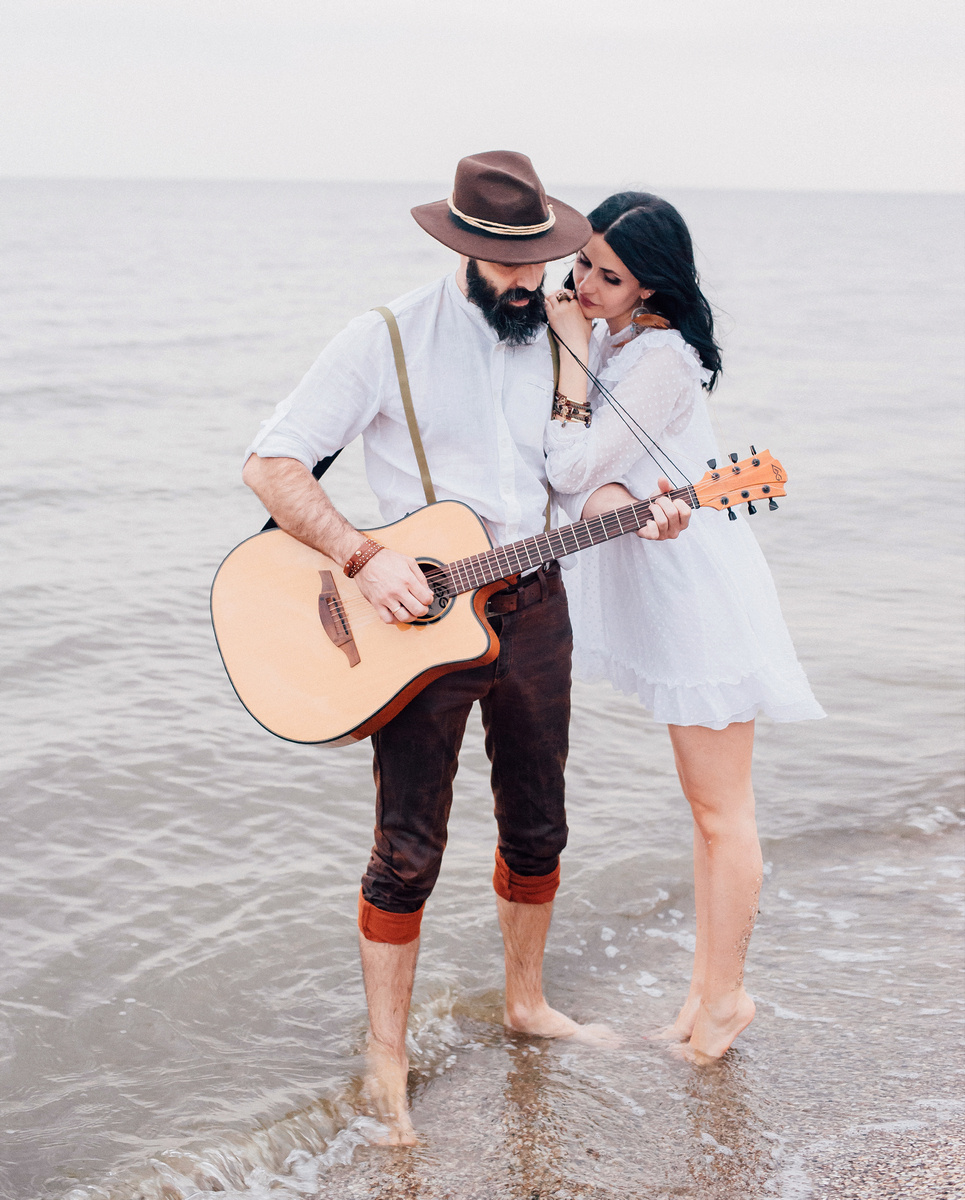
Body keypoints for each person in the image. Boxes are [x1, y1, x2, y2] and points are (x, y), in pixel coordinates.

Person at [241, 155, 692, 1142]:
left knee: (539, 829)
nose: (532, 282)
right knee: (406, 850)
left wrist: (635, 506)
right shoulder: (386, 337)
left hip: (534, 604)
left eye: (540, 260)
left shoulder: (560, 335)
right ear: (462, 248)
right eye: (509, 266)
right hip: (415, 623)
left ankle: (525, 1003)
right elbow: (271, 465)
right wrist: (363, 559)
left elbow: (576, 476)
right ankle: (386, 1056)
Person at [542, 191, 825, 1063]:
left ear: (651, 287)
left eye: (609, 276)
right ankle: (702, 996)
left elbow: (568, 462)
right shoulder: (616, 337)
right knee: (703, 815)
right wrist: (608, 486)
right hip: (664, 589)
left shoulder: (659, 355)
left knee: (721, 813)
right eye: (582, 263)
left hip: (697, 598)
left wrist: (569, 350)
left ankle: (727, 998)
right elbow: (587, 480)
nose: (586, 284)